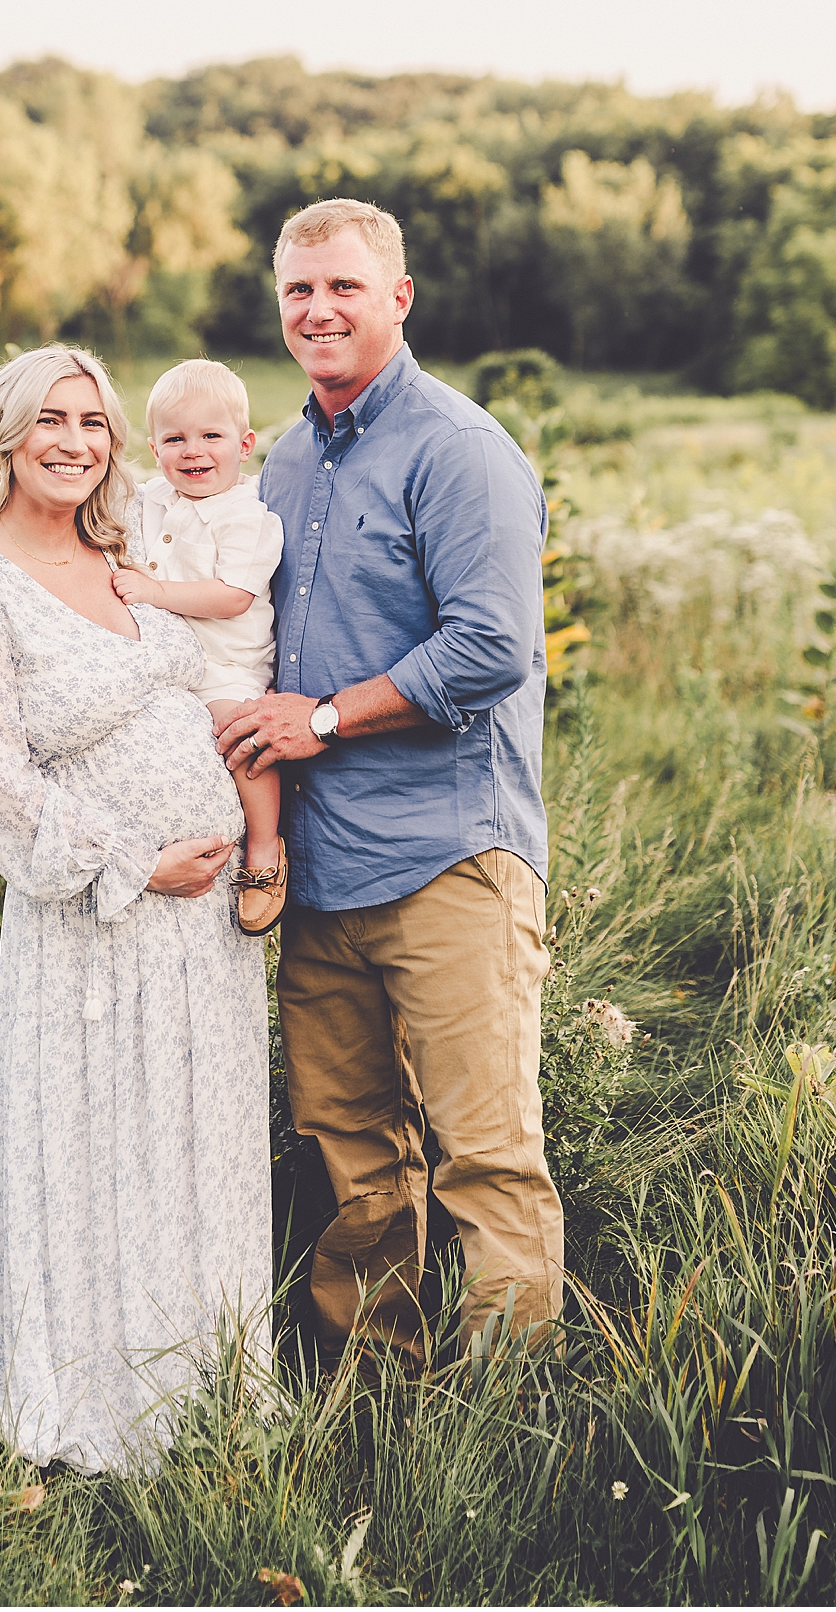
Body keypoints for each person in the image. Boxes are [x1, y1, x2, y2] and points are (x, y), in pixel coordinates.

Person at [216, 197, 564, 1364]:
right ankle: (374, 1393)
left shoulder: (457, 450)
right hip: (322, 872)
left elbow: (489, 647)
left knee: (486, 1152)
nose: (317, 310)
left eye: (344, 288)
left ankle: (501, 1429)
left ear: (398, 300)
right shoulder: (283, 456)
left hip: (450, 857)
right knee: (353, 1154)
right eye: (298, 292)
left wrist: (320, 718)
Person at [0, 345, 271, 1473]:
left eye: (93, 422)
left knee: (200, 1151)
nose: (74, 441)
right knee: (100, 1153)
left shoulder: (125, 551)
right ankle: (98, 1412)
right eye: (50, 421)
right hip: (96, 921)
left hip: (204, 929)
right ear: (6, 437)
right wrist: (131, 862)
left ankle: (209, 1392)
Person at [110, 359, 289, 934]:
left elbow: (235, 596)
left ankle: (264, 850)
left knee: (239, 734)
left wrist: (156, 592)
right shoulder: (152, 498)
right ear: (154, 447)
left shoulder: (249, 515)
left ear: (245, 443)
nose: (194, 451)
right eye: (175, 438)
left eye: (212, 436)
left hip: (225, 662)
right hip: (162, 658)